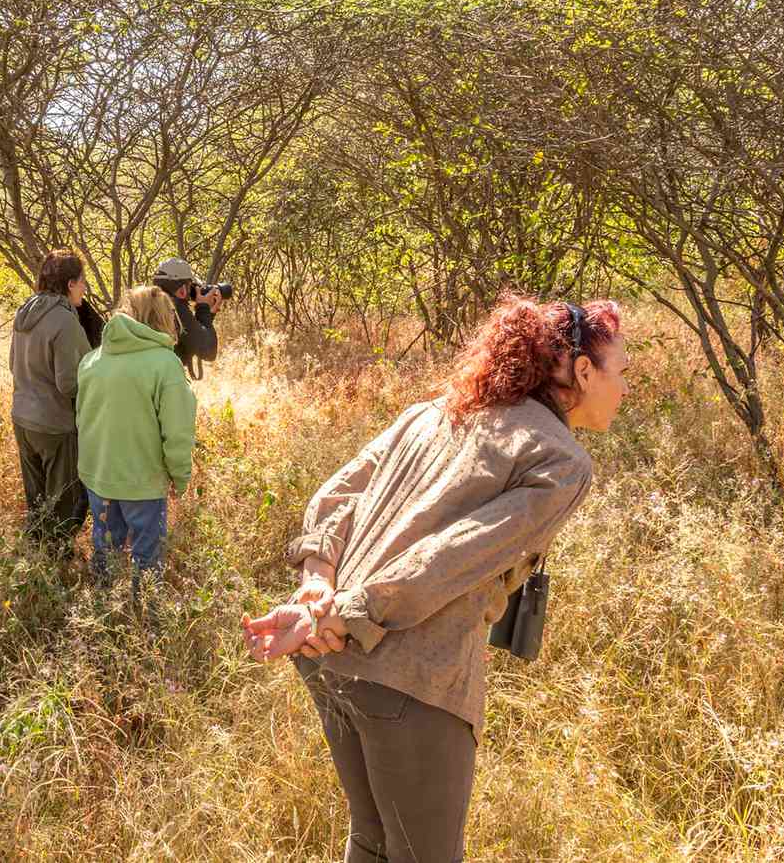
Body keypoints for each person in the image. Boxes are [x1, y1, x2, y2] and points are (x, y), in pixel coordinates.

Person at [242, 295, 630, 863]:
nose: (625, 387)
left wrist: (318, 589)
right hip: (409, 674)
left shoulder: (438, 411)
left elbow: (335, 495)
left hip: (327, 655)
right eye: (622, 371)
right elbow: (449, 559)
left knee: (371, 839)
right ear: (583, 371)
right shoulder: (562, 459)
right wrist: (336, 611)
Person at [76, 285, 197, 595]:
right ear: (162, 317)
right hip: (142, 481)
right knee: (146, 561)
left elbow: (83, 420)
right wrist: (181, 478)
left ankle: (103, 617)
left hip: (98, 476)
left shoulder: (92, 360)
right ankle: (145, 622)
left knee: (105, 553)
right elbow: (178, 433)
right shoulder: (166, 364)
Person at [10, 250, 95, 555]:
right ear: (71, 283)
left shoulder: (25, 311)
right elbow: (69, 383)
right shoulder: (64, 320)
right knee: (65, 505)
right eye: (83, 281)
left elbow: (12, 365)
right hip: (55, 425)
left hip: (22, 418)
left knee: (36, 504)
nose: (85, 287)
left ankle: (35, 565)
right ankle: (56, 572)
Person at [152, 257, 223, 376]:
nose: (192, 292)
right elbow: (208, 351)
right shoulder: (175, 308)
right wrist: (203, 308)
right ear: (182, 290)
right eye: (190, 286)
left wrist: (208, 313)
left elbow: (188, 345)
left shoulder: (149, 305)